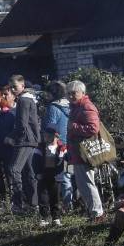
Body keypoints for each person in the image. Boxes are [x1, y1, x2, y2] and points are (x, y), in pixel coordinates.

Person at [66, 80, 106, 222]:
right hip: (79, 152)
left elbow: (93, 128)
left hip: (86, 153)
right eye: (68, 93)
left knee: (87, 183)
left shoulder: (86, 106)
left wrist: (74, 126)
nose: (71, 96)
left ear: (83, 93)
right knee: (83, 184)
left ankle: (97, 214)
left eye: (74, 93)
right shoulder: (77, 107)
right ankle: (93, 212)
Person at [4, 75, 41, 215]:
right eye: (11, 87)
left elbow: (22, 123)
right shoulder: (29, 98)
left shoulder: (24, 100)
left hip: (24, 140)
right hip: (31, 139)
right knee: (29, 173)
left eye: (15, 87)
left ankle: (18, 204)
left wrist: (11, 137)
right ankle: (34, 204)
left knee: (14, 169)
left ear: (23, 86)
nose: (13, 90)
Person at [41, 80, 73, 208]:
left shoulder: (53, 108)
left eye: (47, 93)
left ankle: (65, 205)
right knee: (69, 175)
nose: (46, 96)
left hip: (57, 145)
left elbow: (50, 128)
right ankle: (72, 202)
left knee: (59, 176)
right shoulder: (69, 105)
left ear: (52, 93)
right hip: (70, 145)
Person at [37, 127, 67, 227]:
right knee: (43, 198)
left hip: (56, 177)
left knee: (56, 198)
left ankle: (56, 218)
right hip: (43, 176)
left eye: (51, 135)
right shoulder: (40, 147)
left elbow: (64, 161)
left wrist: (62, 154)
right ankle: (44, 218)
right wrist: (38, 173)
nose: (48, 137)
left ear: (57, 137)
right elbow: (35, 161)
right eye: (46, 135)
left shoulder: (62, 148)